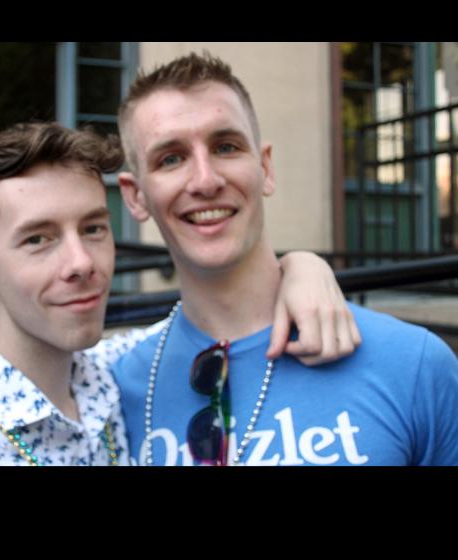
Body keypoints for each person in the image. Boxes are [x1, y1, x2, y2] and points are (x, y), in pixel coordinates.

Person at [0, 120, 359, 467]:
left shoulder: (119, 370)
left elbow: (220, 309)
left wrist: (302, 267)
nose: (81, 263)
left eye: (93, 228)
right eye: (38, 239)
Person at [111, 51, 458, 466]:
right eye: (171, 158)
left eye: (225, 147)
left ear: (266, 167)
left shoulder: (413, 364)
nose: (205, 180)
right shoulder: (113, 390)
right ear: (136, 196)